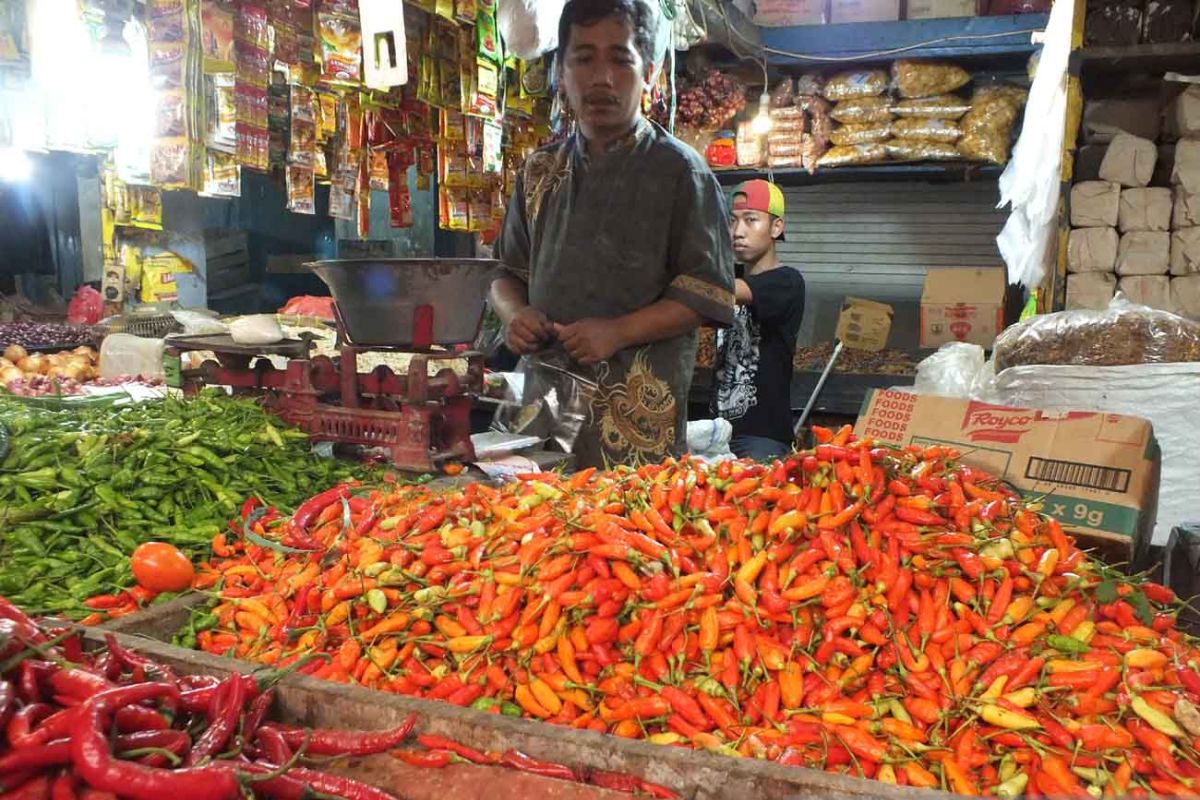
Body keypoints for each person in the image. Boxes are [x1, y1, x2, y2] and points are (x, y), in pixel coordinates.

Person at [489, 0, 735, 468]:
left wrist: (617, 332)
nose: (601, 77)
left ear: (649, 72)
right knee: (530, 526)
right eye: (583, 58)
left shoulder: (681, 172)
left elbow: (707, 294)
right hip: (543, 409)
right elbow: (505, 272)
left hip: (635, 423)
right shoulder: (539, 170)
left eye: (620, 59)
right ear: (560, 71)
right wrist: (516, 314)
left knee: (627, 533)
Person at [712, 179, 805, 461]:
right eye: (732, 221)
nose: (737, 231)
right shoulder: (728, 276)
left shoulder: (787, 281)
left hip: (761, 439)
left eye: (750, 220)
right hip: (718, 432)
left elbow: (723, 291)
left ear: (776, 227)